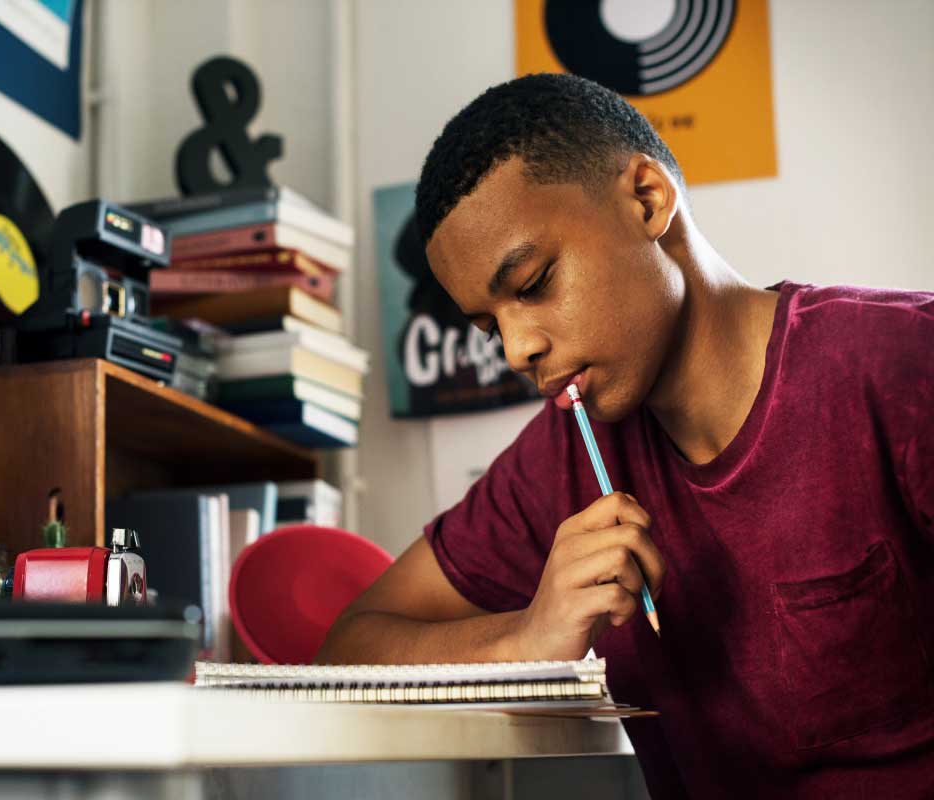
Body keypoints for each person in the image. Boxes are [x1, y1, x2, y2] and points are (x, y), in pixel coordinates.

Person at [315, 73, 933, 798]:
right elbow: (351, 646)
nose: (515, 350)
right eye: (489, 326)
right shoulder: (561, 459)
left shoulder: (899, 364)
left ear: (647, 199)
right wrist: (528, 639)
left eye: (534, 282)